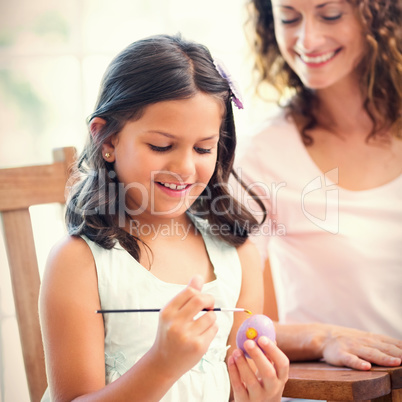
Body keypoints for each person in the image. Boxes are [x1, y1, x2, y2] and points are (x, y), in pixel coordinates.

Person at [38, 34, 290, 402]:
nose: (185, 167)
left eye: (204, 148)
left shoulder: (238, 254)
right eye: (161, 146)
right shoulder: (78, 262)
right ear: (106, 140)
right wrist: (163, 363)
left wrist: (261, 395)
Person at [237, 0, 402, 370]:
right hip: (346, 390)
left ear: (377, 16)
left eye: (330, 15)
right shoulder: (262, 154)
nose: (307, 40)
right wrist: (323, 337)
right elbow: (237, 322)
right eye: (289, 18)